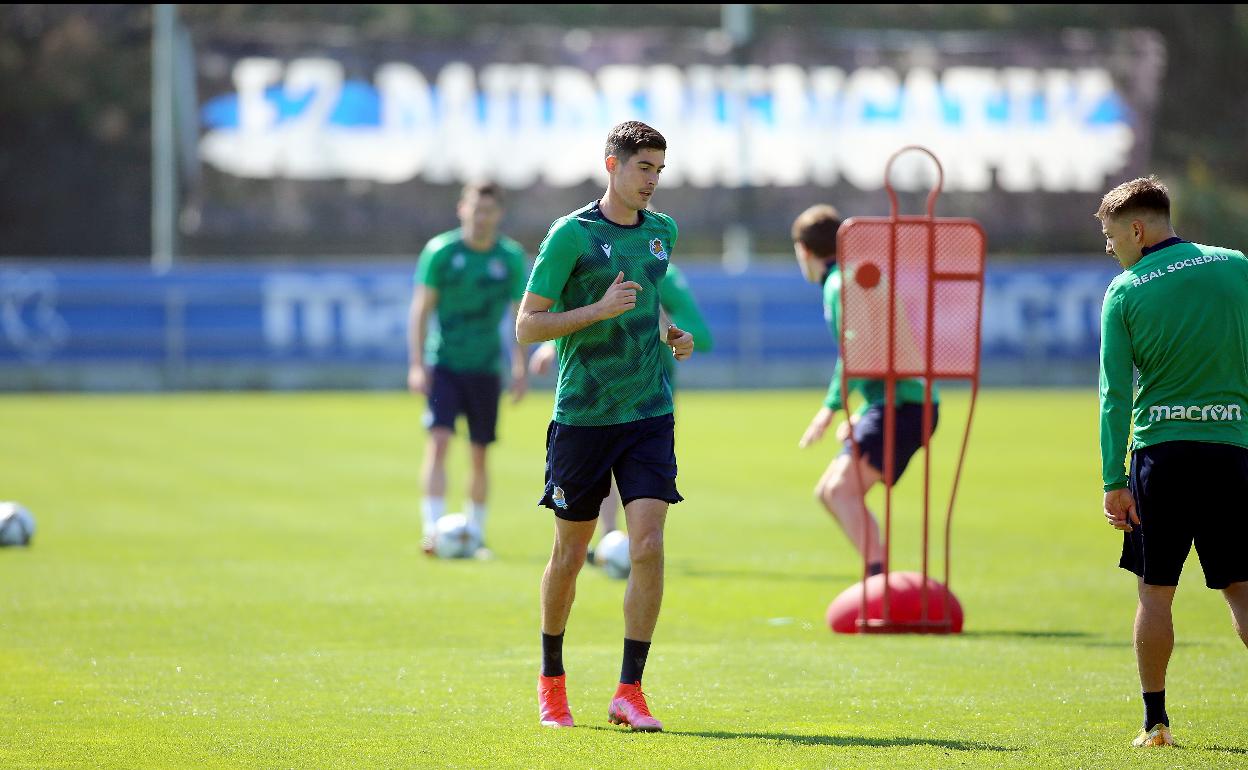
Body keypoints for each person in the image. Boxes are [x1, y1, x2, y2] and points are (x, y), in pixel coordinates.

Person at [515, 120, 694, 731]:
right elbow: (527, 325)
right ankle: (552, 681)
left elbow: (647, 301)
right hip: (584, 417)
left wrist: (670, 333)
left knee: (648, 546)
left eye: (659, 170)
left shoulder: (662, 232)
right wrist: (596, 310)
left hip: (648, 413)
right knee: (570, 555)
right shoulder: (572, 235)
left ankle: (629, 691)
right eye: (644, 167)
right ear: (612, 164)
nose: (652, 181)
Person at [1096, 175, 1248, 748]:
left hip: (1162, 456)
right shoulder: (1236, 266)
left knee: (1156, 591)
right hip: (1232, 449)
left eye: (1113, 237)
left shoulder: (1126, 290)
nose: (1111, 249)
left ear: (1137, 229)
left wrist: (1113, 478)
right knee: (1241, 587)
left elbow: (1114, 395)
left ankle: (1155, 723)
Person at [792, 204, 939, 578]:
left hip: (904, 404)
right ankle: (879, 579)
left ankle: (879, 582)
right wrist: (861, 412)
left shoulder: (841, 283)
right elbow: (877, 349)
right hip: (895, 401)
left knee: (841, 492)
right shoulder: (853, 276)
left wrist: (830, 408)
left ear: (804, 250)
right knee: (830, 492)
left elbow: (856, 349)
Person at [528, 263, 713, 559]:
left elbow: (701, 335)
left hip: (649, 399)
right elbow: (587, 313)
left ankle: (628, 541)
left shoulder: (666, 275)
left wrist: (666, 330)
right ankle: (610, 537)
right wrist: (552, 347)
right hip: (598, 391)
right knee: (604, 468)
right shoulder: (597, 262)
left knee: (633, 474)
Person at [407, 182, 529, 558]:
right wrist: (417, 364)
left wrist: (519, 366)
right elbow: (421, 310)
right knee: (439, 440)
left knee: (479, 452)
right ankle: (432, 532)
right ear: (462, 209)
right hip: (444, 362)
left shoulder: (509, 257)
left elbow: (521, 315)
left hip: (486, 367)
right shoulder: (441, 252)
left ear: (499, 214)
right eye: (476, 209)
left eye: (489, 210)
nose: (481, 217)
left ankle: (474, 535)